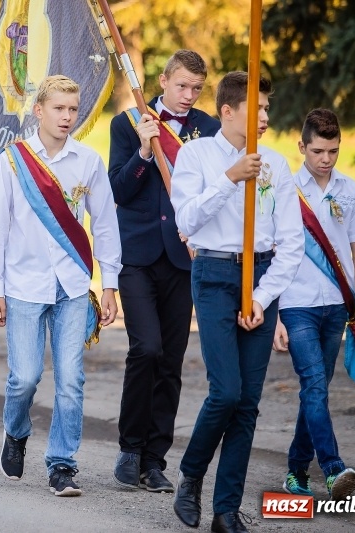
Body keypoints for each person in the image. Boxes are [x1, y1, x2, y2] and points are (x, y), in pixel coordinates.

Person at [169, 71, 304, 533]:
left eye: (268, 108)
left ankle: (226, 509)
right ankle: (190, 474)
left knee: (247, 403)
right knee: (225, 392)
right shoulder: (196, 155)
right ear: (227, 112)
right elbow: (186, 220)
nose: (266, 116)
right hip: (213, 274)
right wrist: (229, 178)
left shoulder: (278, 167)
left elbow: (292, 244)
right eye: (257, 108)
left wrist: (263, 298)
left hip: (261, 278)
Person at [0, 75, 122, 497]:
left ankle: (62, 464)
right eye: (59, 109)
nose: (67, 117)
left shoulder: (88, 161)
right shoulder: (12, 161)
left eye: (72, 109)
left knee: (70, 380)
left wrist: (111, 282)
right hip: (24, 285)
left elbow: (104, 224)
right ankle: (16, 431)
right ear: (39, 111)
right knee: (24, 378)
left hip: (73, 286)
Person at [109, 49, 220, 493]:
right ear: (162, 81)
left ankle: (155, 460)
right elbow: (119, 189)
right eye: (181, 86)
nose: (189, 95)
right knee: (147, 350)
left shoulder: (207, 130)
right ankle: (129, 448)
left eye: (196, 88)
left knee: (171, 361)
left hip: (183, 255)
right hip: (136, 255)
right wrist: (142, 150)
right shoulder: (126, 123)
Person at [272, 108, 355, 501]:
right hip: (295, 303)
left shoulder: (350, 191)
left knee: (314, 391)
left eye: (333, 150)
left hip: (337, 305)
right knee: (314, 385)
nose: (326, 159)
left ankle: (297, 471)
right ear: (301, 146)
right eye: (318, 150)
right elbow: (271, 251)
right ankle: (333, 471)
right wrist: (276, 314)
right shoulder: (285, 191)